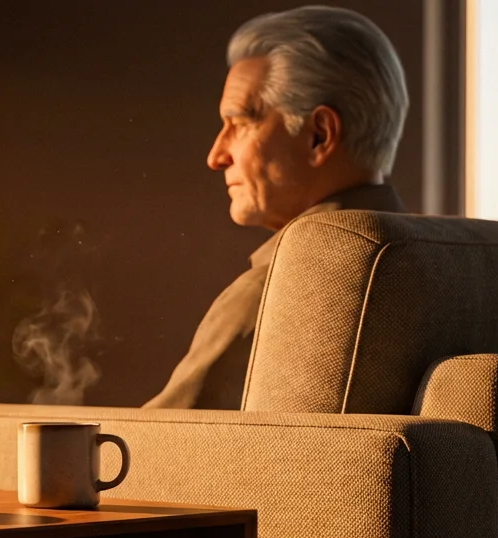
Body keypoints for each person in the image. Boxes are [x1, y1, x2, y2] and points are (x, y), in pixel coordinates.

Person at [144, 5, 409, 410]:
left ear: (319, 135)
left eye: (240, 123)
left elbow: (150, 456)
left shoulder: (276, 296)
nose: (216, 155)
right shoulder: (444, 271)